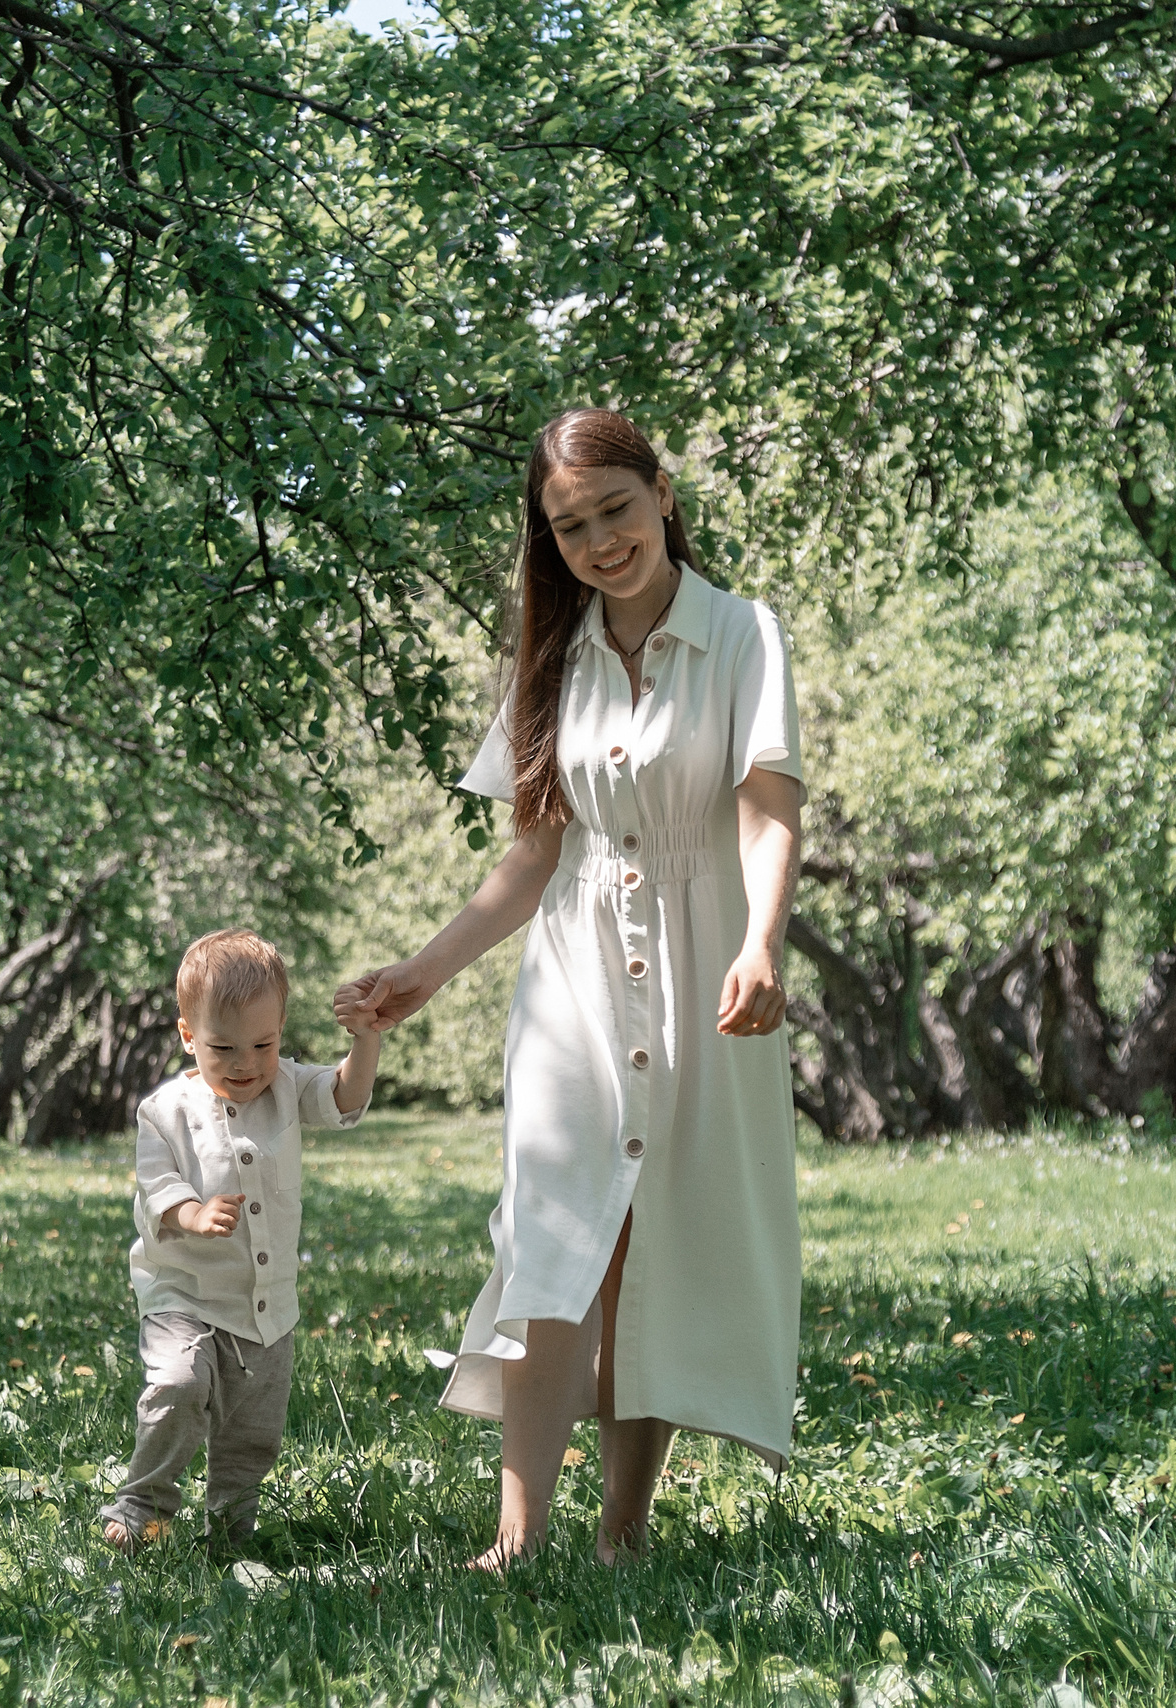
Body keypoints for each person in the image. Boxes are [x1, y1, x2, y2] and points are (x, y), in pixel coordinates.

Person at [336, 408, 803, 1568]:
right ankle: (518, 1536)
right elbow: (533, 856)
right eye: (569, 525)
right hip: (573, 981)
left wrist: (761, 942)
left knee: (652, 1242)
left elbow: (764, 809)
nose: (599, 541)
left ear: (663, 494)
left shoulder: (741, 634)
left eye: (615, 509)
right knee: (553, 1234)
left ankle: (623, 1532)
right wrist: (422, 970)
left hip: (699, 966)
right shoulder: (551, 662)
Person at [102, 928, 381, 1550]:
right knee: (177, 1386)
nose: (246, 1063)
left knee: (253, 1433)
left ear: (281, 1031)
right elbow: (156, 1184)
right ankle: (141, 1508)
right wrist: (191, 1214)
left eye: (263, 1044)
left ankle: (231, 1531)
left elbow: (345, 1095)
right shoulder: (163, 1111)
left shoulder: (287, 1086)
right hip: (184, 1295)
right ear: (188, 1035)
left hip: (265, 1306)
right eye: (222, 1047)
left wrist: (365, 1040)